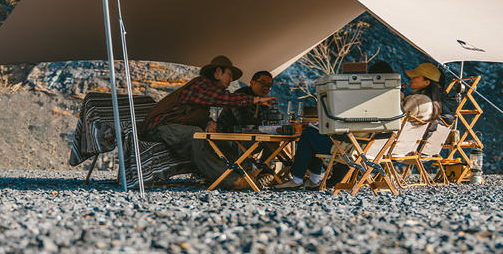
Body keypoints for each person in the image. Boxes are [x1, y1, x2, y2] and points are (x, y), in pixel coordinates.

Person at [140, 55, 277, 190]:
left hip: (176, 126)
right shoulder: (199, 85)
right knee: (197, 136)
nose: (231, 80)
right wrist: (255, 100)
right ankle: (232, 181)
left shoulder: (209, 90)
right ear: (218, 73)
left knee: (216, 137)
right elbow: (223, 99)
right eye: (229, 75)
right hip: (159, 128)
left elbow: (193, 113)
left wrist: (209, 121)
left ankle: (247, 171)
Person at [274, 60, 395, 191]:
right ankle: (313, 179)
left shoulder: (366, 99)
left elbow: (350, 123)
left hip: (352, 147)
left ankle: (298, 179)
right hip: (375, 147)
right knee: (314, 134)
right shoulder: (392, 99)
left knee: (309, 133)